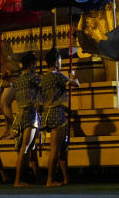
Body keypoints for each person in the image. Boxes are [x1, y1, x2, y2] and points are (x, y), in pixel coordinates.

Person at [1, 51, 41, 187]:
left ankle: (38, 178)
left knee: (31, 148)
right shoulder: (33, 78)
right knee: (26, 148)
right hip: (30, 113)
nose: (36, 66)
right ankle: (18, 180)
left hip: (20, 113)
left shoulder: (18, 81)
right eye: (35, 64)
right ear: (31, 65)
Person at [42, 48, 79, 187]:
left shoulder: (43, 77)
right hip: (57, 113)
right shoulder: (57, 75)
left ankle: (65, 178)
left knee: (62, 147)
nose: (61, 63)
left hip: (47, 113)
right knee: (55, 149)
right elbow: (76, 85)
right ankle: (50, 179)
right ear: (56, 62)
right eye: (60, 60)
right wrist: (73, 76)